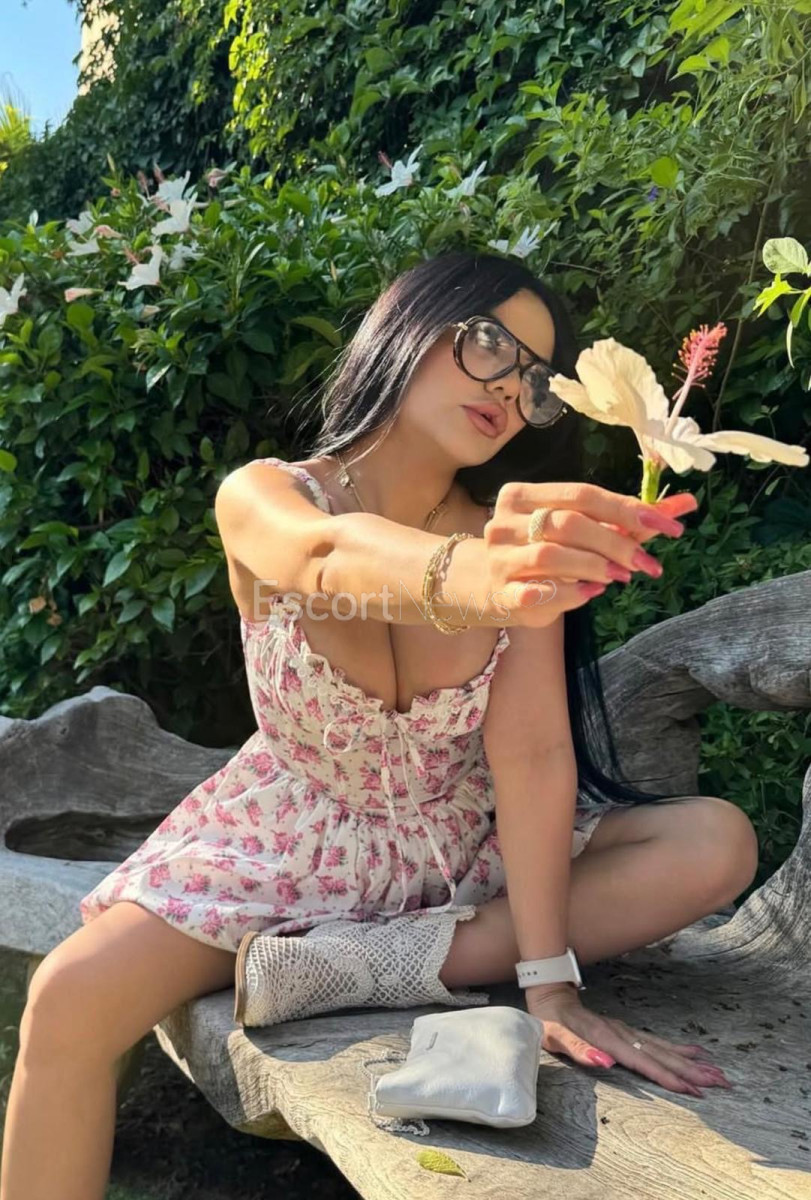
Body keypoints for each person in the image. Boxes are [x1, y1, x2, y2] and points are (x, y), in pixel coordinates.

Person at [1, 249, 754, 1200]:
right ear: (408, 325)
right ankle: (364, 958)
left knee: (715, 841)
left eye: (534, 381)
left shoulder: (509, 537)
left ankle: (347, 967)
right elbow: (320, 552)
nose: (510, 389)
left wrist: (550, 984)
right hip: (282, 841)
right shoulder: (267, 495)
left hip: (455, 843)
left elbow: (528, 756)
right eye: (490, 345)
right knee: (66, 999)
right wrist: (469, 575)